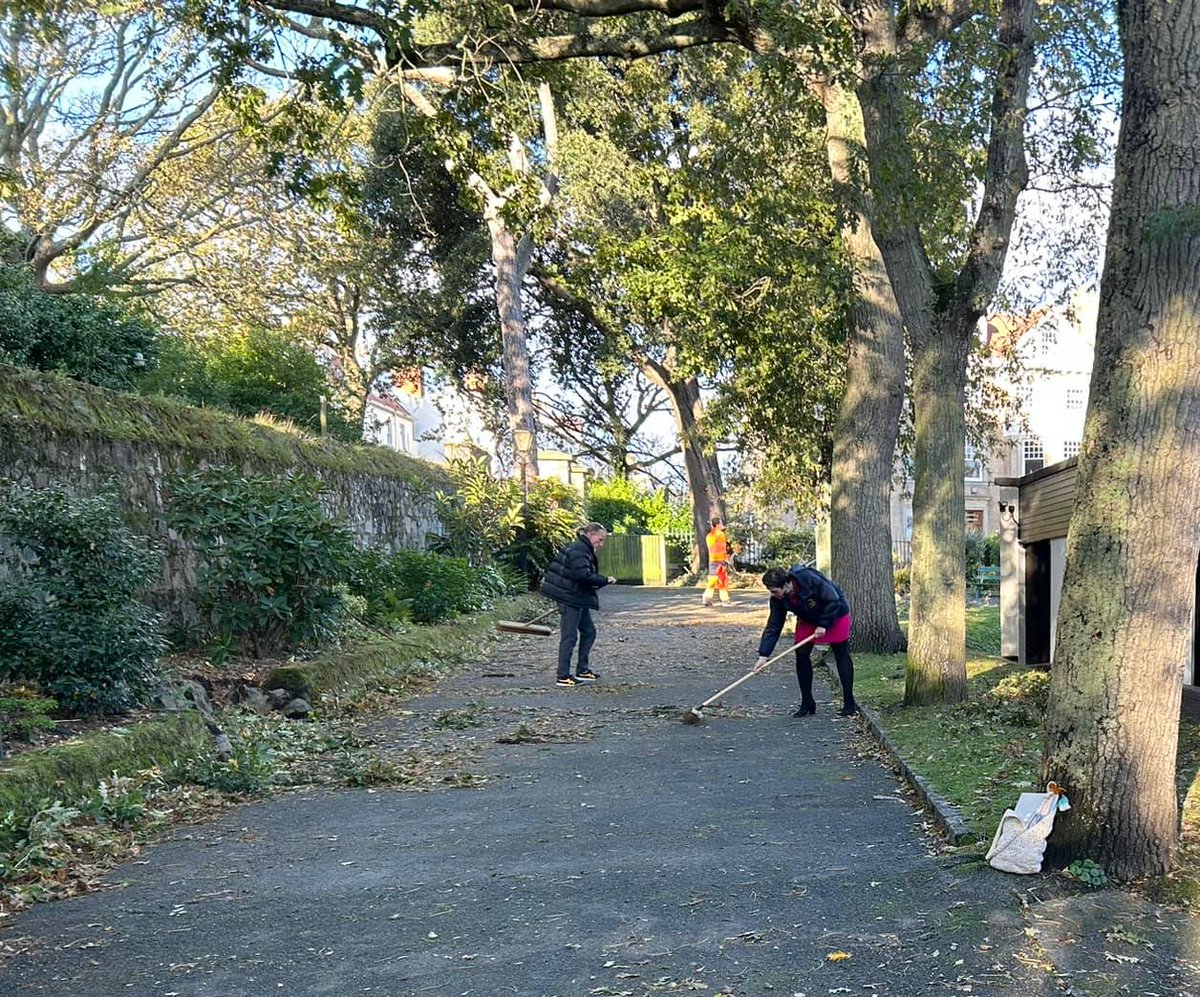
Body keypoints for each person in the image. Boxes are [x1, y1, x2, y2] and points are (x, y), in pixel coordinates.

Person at [752, 564, 858, 717]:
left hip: (834, 612)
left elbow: (833, 599)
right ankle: (807, 703)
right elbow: (774, 626)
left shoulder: (807, 578)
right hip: (808, 618)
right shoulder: (778, 599)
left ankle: (849, 702)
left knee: (841, 652)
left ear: (786, 584)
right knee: (801, 653)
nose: (773, 594)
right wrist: (763, 655)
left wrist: (823, 624)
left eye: (775, 590)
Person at [540, 522, 617, 687]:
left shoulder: (583, 549)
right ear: (590, 534)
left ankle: (582, 670)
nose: (601, 544)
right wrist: (605, 580)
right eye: (600, 539)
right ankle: (563, 676)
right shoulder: (579, 550)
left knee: (589, 631)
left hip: (576, 597)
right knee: (569, 636)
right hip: (569, 597)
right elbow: (582, 576)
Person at [701, 516, 739, 607]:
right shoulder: (720, 535)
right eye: (721, 523)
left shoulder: (709, 535)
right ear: (718, 524)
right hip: (720, 560)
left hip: (712, 560)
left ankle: (706, 598)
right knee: (722, 580)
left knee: (712, 579)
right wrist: (727, 559)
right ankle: (725, 600)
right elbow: (722, 548)